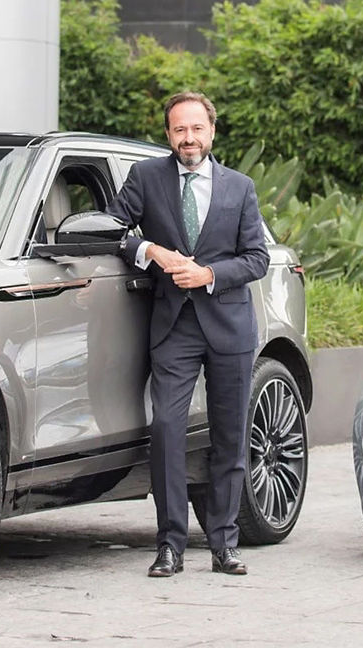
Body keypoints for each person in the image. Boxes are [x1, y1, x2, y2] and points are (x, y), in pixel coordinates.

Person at [105, 92, 269, 577]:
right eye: (179, 130)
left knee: (229, 438)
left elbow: (256, 258)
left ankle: (224, 544)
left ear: (211, 132)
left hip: (230, 327)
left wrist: (210, 275)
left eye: (196, 129)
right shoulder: (146, 178)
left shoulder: (240, 187)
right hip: (173, 326)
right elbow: (111, 227)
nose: (189, 139)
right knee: (167, 432)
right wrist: (149, 249)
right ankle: (170, 545)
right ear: (169, 133)